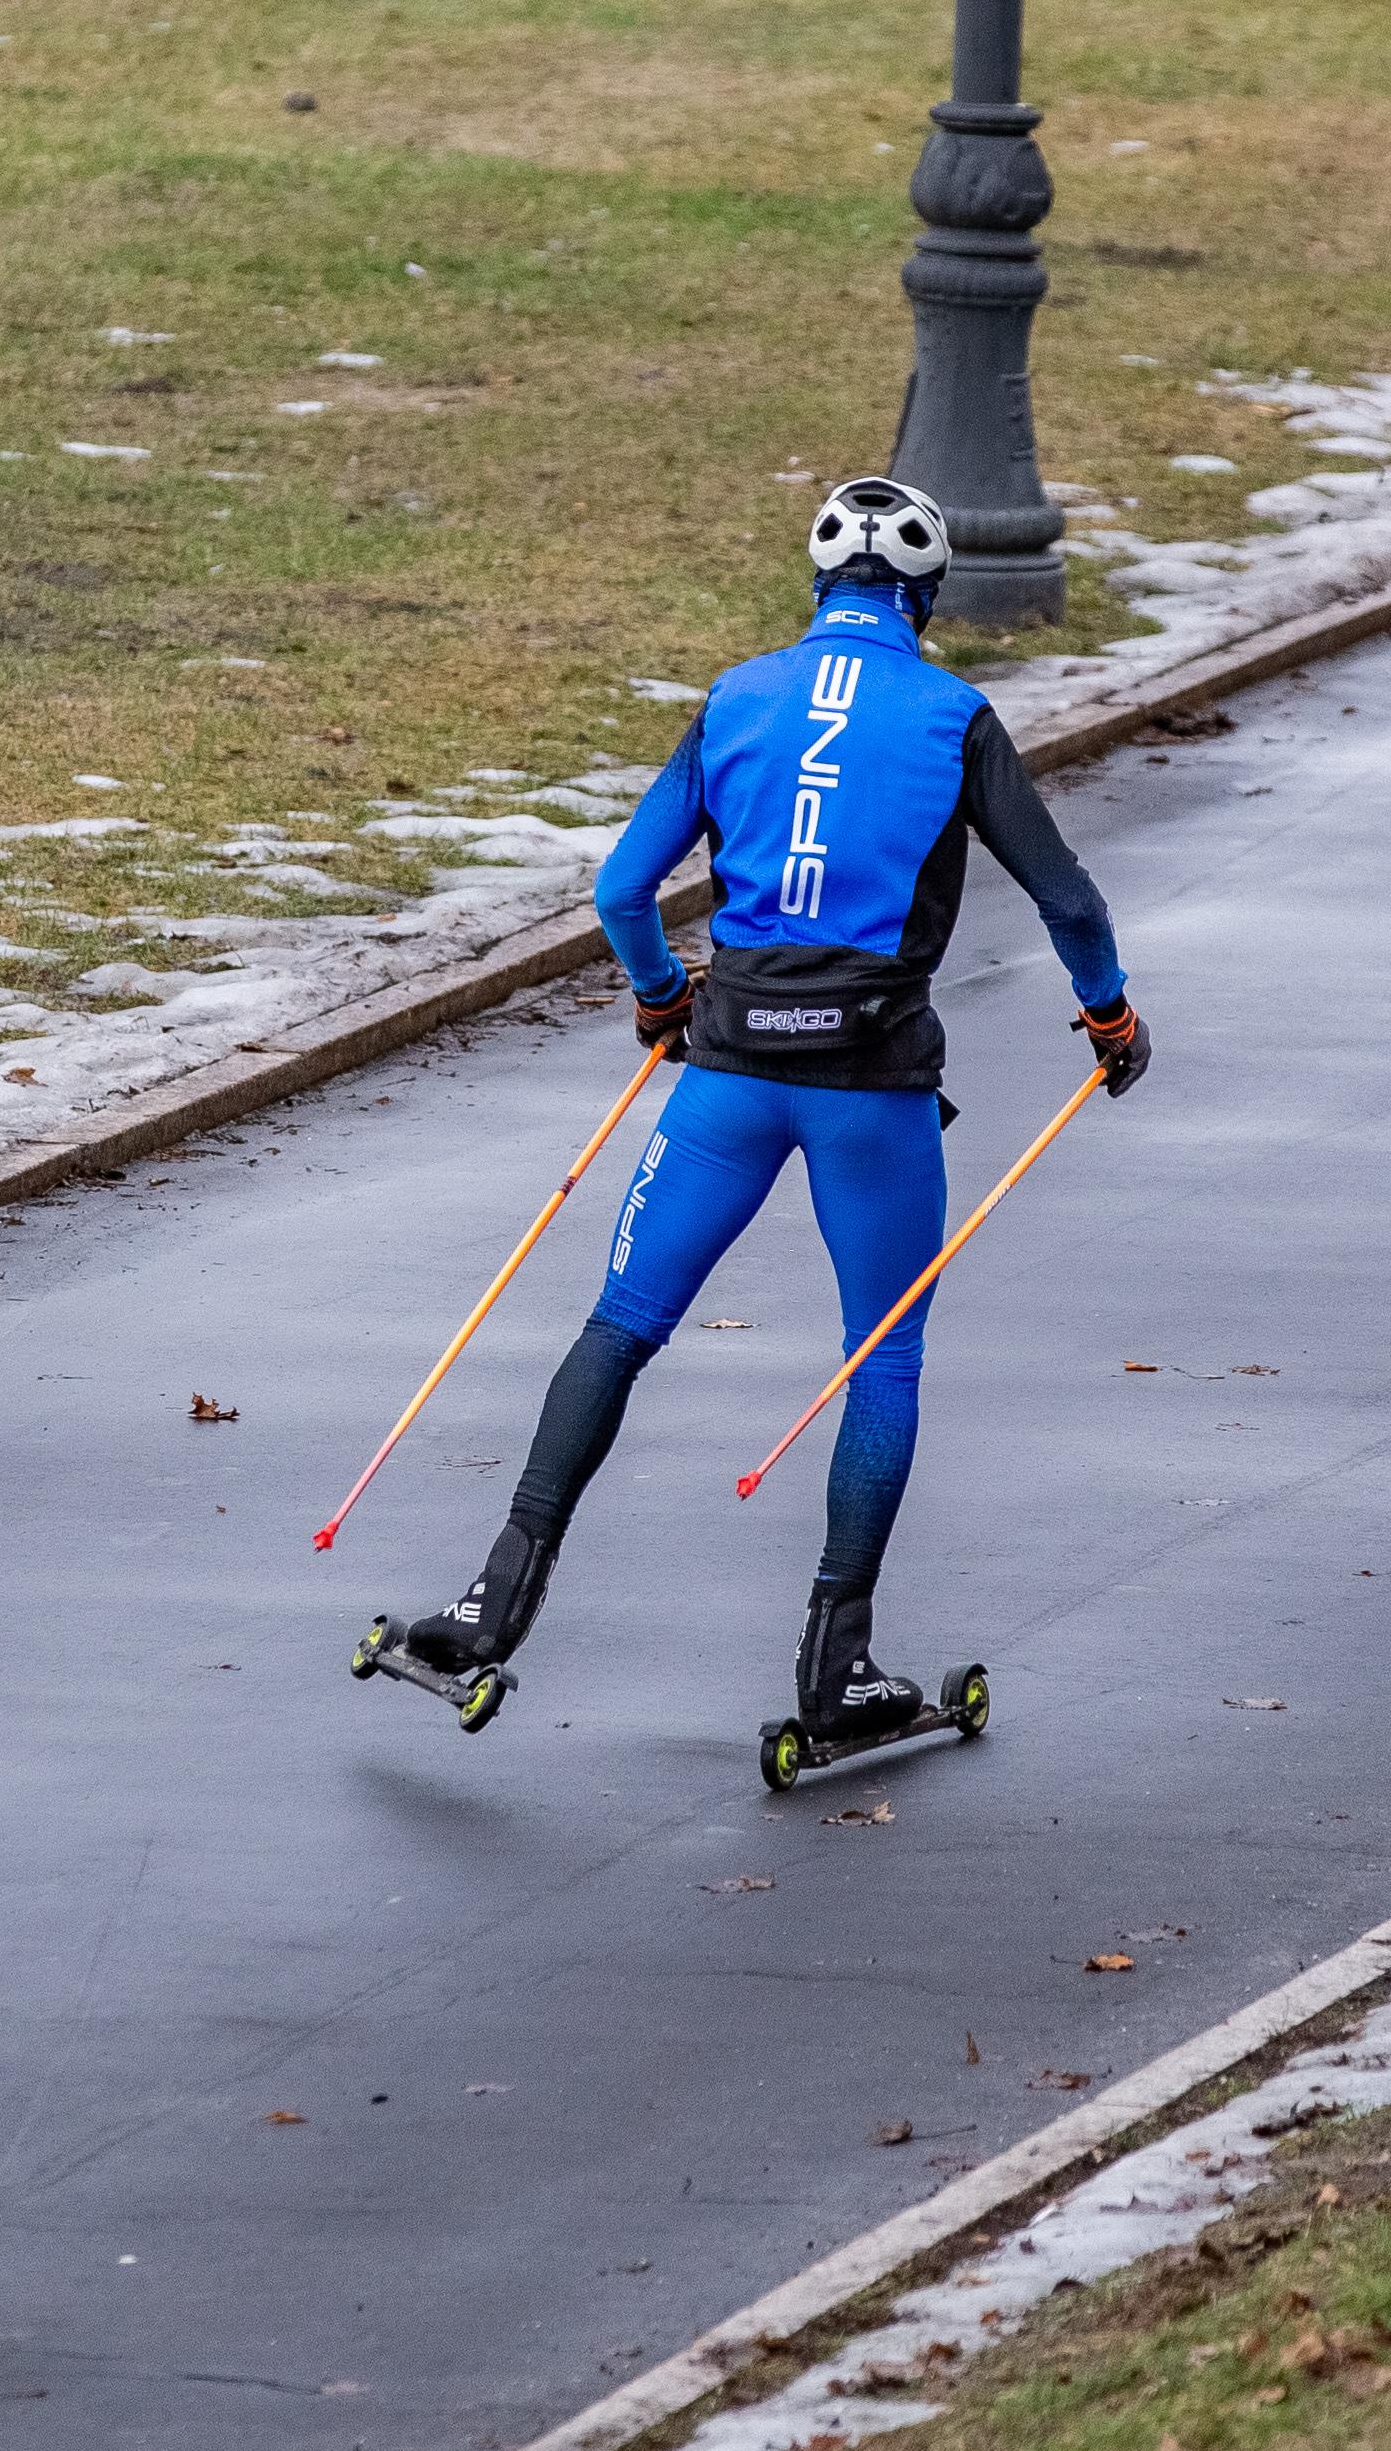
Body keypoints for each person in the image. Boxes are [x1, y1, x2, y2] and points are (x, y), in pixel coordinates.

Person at [404, 477, 1150, 1738]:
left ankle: (490, 1600)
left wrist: (657, 999)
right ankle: (835, 1663)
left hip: (730, 1070)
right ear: (929, 597)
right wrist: (1109, 1015)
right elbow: (1069, 904)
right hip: (871, 1089)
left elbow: (623, 889)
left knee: (622, 1321)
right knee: (883, 1354)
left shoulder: (738, 695)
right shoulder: (954, 715)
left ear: (814, 589)